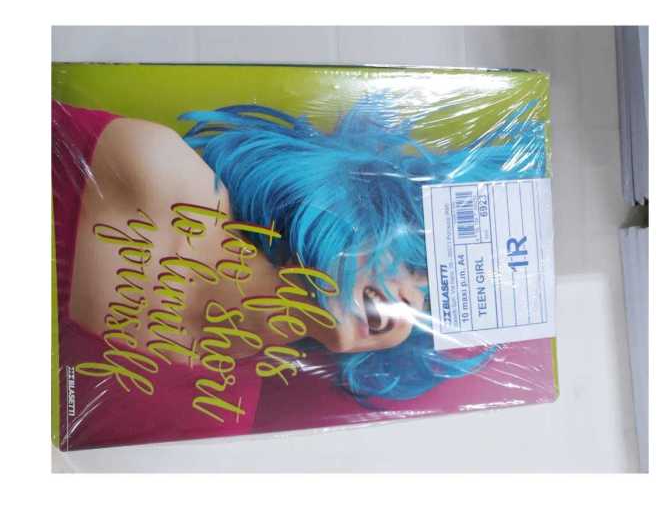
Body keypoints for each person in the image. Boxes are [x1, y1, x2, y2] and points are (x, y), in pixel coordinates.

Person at [53, 95, 546, 403]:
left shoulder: (218, 415)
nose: (411, 299)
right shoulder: (154, 173)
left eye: (430, 304)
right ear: (361, 207)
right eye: (412, 260)